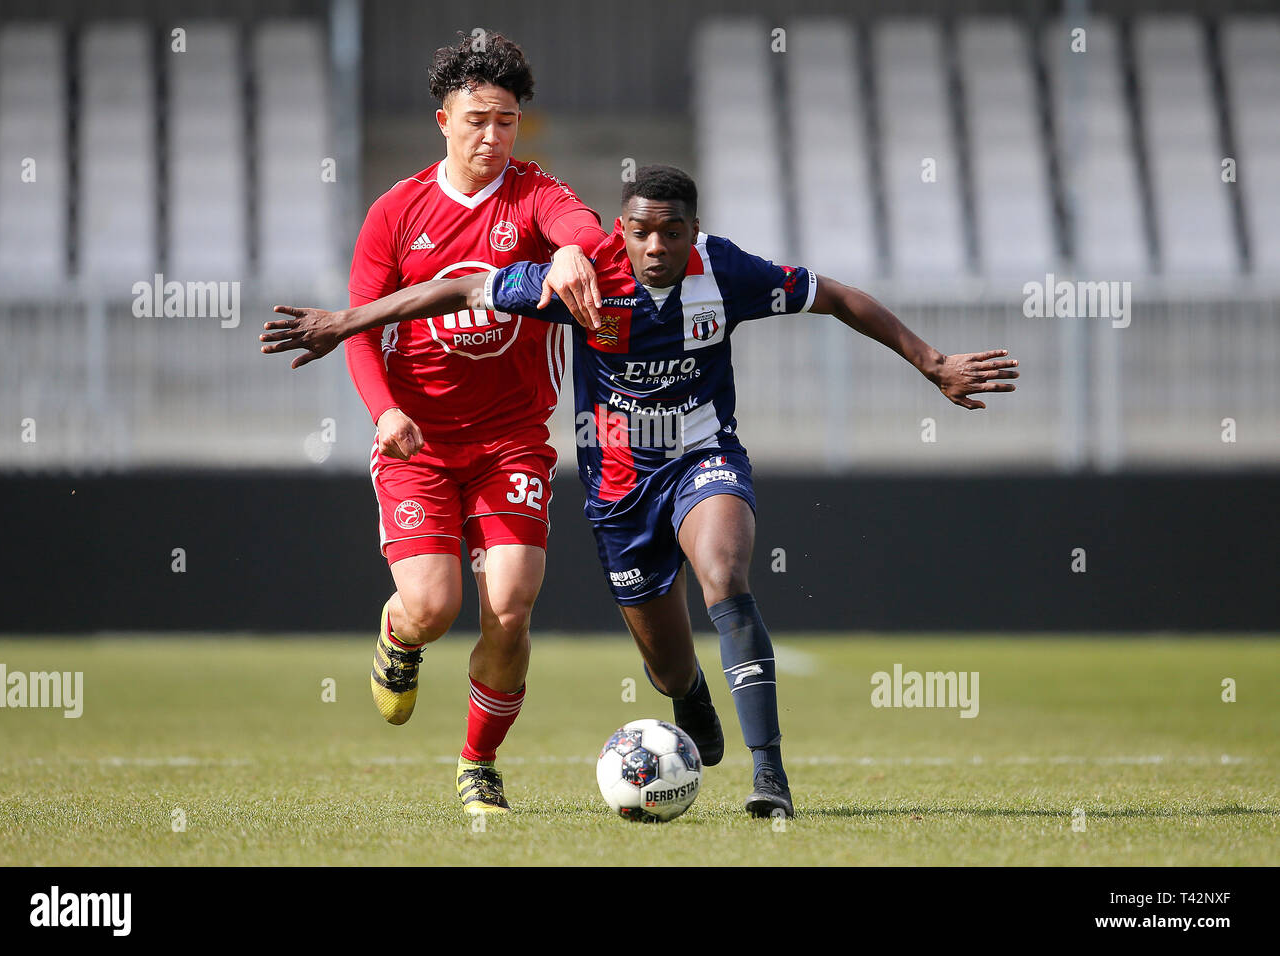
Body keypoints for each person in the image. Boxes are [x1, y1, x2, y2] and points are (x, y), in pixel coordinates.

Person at [262, 165, 1019, 816]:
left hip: (703, 456)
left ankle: (771, 775)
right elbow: (460, 288)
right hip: (619, 491)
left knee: (725, 576)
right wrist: (345, 322)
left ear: (695, 230)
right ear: (620, 230)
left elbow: (836, 296)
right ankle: (686, 691)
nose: (656, 246)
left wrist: (931, 361)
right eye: (640, 231)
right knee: (664, 662)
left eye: (673, 231)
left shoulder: (728, 274)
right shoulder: (582, 276)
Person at [317, 31, 609, 815]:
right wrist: (386, 414)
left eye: (507, 122)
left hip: (512, 439)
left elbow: (582, 224)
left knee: (510, 605)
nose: (492, 137)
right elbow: (360, 329)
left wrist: (577, 252)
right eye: (477, 119)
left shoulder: (535, 194)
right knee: (434, 607)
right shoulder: (395, 213)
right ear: (442, 119)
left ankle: (477, 762)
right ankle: (399, 636)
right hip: (419, 443)